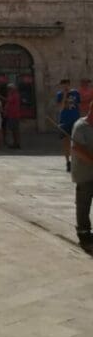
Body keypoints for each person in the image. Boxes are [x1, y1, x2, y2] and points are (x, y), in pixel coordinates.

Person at [71, 100, 93, 250]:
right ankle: (84, 236)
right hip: (84, 174)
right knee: (83, 205)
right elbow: (77, 149)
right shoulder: (81, 127)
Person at [57, 79, 81, 173]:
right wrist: (64, 95)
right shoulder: (59, 94)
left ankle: (76, 161)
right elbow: (61, 108)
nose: (65, 87)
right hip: (65, 120)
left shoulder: (75, 93)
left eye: (66, 85)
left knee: (76, 142)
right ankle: (68, 162)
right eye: (63, 85)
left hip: (75, 119)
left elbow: (78, 105)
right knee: (66, 143)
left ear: (69, 84)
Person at [3, 84, 21, 149]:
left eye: (9, 89)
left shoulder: (14, 95)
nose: (8, 90)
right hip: (12, 114)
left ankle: (16, 144)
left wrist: (0, 97)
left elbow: (8, 101)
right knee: (14, 130)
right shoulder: (12, 95)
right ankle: (15, 143)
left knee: (15, 130)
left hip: (14, 115)